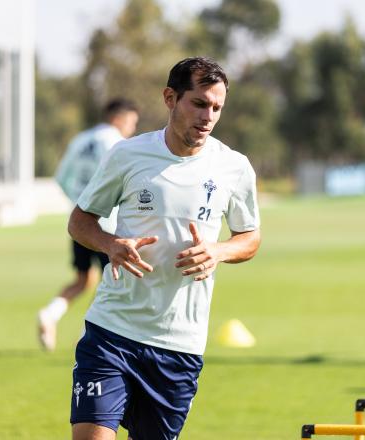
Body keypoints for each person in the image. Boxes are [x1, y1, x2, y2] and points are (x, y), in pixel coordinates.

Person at [67, 57, 261, 440]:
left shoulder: (234, 168)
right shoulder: (127, 154)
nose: (208, 116)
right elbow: (80, 221)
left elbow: (250, 238)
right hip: (112, 331)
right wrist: (110, 244)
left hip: (179, 345)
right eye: (200, 103)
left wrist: (218, 252)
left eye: (217, 108)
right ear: (170, 98)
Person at [37, 98, 139, 351]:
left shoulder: (80, 140)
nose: (132, 130)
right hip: (109, 225)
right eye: (131, 123)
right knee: (115, 283)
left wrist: (81, 203)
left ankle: (50, 314)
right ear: (119, 119)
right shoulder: (117, 144)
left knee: (85, 279)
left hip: (81, 222)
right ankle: (87, 335)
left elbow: (61, 178)